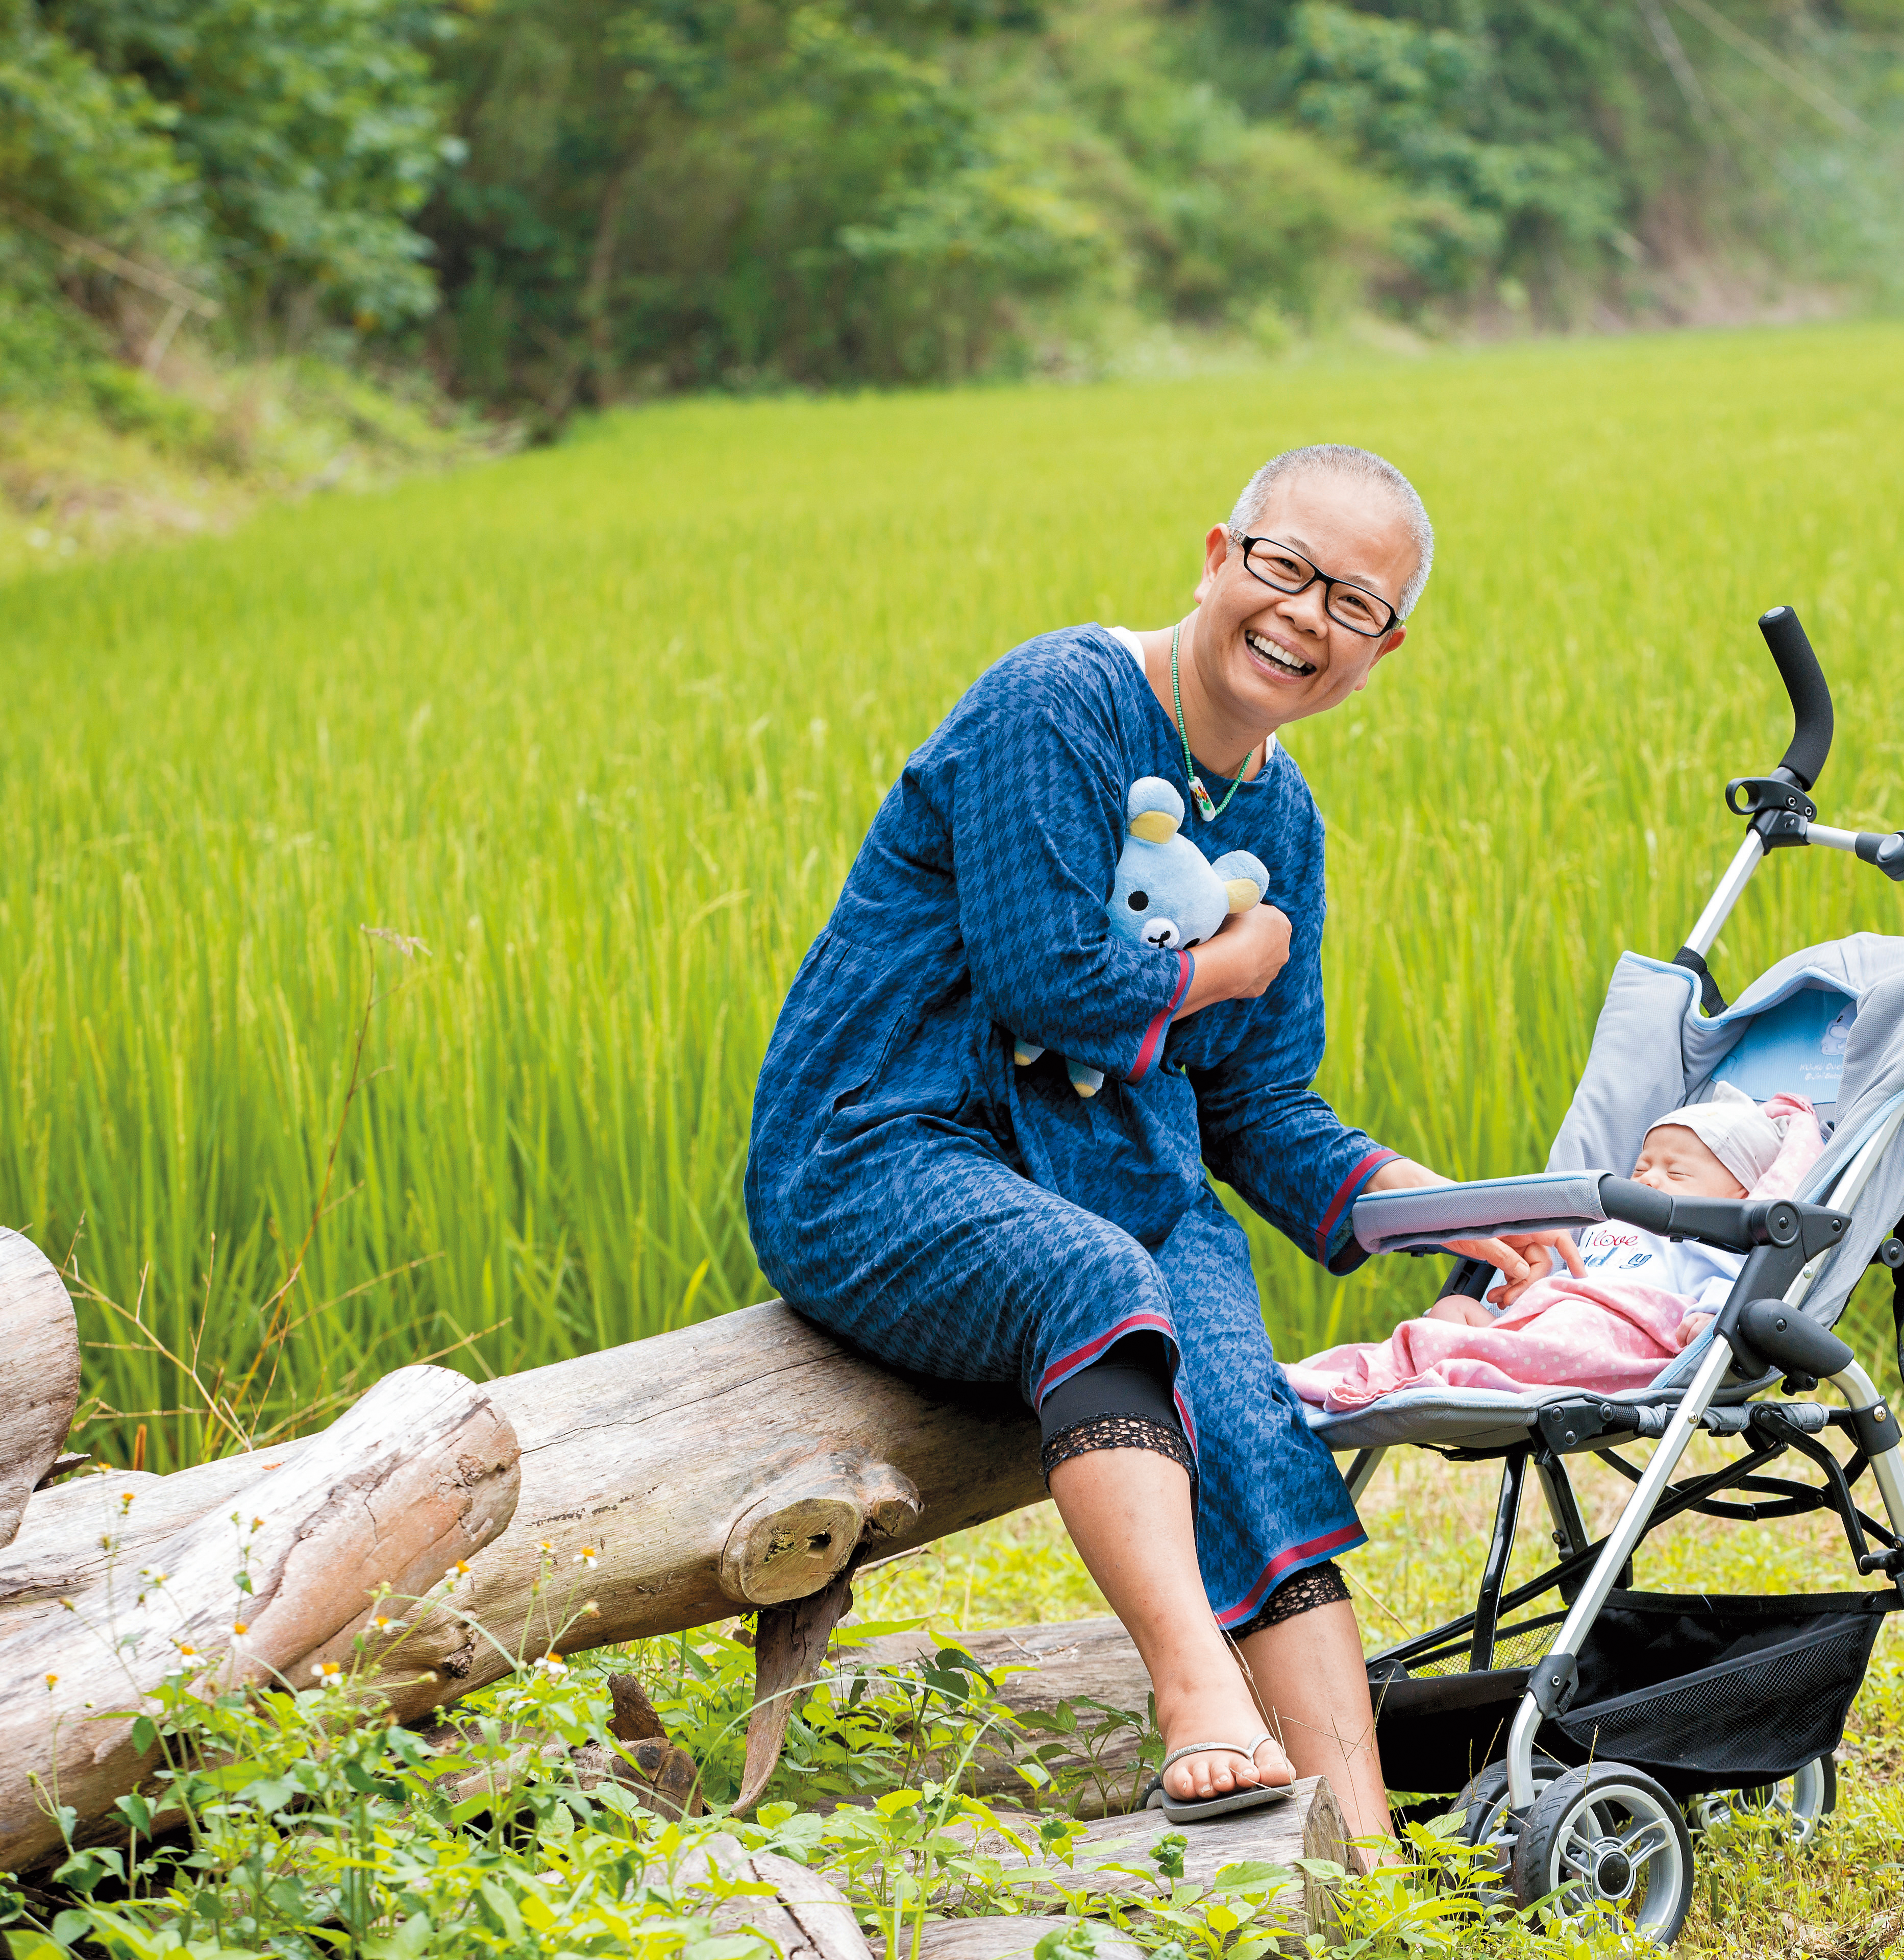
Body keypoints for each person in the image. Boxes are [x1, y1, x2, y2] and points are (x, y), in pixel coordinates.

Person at [744, 445, 1576, 1849]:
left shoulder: (1283, 819)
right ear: (1216, 556)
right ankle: (1201, 1694)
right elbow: (1048, 980)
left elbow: (1253, 1105)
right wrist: (1228, 964)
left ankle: (1365, 1856)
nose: (1304, 616)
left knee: (1247, 1415)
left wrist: (1415, 1201)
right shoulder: (1056, 702)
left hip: (1120, 1174)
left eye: (1352, 604)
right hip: (881, 1150)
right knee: (1093, 1279)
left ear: (1381, 651)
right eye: (1284, 567)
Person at [1422, 1083, 1819, 1325]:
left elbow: (1739, 1284)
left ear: (1740, 1197)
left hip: (1616, 1329)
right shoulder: (1609, 1221)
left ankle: (1480, 1370)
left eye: (1676, 1173)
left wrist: (1711, 1317)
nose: (1649, 1179)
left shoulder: (1711, 1240)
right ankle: (1461, 1371)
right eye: (1640, 1168)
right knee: (1453, 1309)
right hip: (1553, 1319)